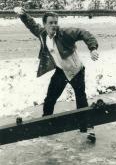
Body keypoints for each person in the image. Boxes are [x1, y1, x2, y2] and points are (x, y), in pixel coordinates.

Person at [14, 7, 99, 142]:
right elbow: (31, 24)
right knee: (50, 98)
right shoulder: (42, 33)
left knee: (81, 99)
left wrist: (93, 48)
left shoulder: (65, 33)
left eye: (55, 22)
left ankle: (87, 129)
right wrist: (23, 15)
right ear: (45, 25)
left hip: (76, 71)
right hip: (61, 71)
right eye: (51, 23)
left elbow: (84, 33)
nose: (54, 25)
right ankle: (46, 124)